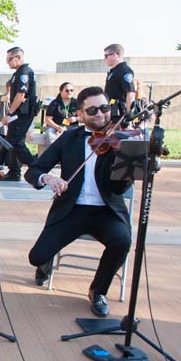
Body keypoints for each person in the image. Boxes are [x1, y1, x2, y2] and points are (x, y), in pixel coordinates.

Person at [25, 86, 133, 317]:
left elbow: (120, 188)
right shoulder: (70, 138)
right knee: (37, 257)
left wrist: (131, 164)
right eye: (92, 110)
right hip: (71, 209)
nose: (100, 115)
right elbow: (34, 170)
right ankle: (46, 263)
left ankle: (98, 291)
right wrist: (48, 178)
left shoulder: (120, 139)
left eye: (104, 108)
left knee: (122, 241)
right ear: (81, 113)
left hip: (106, 210)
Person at [3, 47, 38, 181]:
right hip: (18, 113)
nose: (7, 63)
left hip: (22, 113)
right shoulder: (17, 73)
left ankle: (35, 167)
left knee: (16, 141)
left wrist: (9, 113)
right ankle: (14, 172)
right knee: (11, 141)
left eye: (9, 59)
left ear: (18, 57)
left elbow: (20, 94)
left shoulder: (24, 72)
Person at [43, 82, 79, 150]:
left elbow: (84, 118)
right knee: (49, 133)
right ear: (60, 91)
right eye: (67, 90)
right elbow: (48, 119)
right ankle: (53, 155)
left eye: (72, 90)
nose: (69, 92)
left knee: (77, 134)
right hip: (56, 126)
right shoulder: (54, 103)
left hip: (72, 127)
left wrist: (76, 118)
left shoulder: (76, 102)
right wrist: (58, 127)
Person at [103, 44, 136, 116]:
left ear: (115, 55)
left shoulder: (124, 71)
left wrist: (129, 114)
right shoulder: (115, 71)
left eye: (106, 56)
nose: (104, 58)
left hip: (119, 112)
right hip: (111, 110)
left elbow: (130, 93)